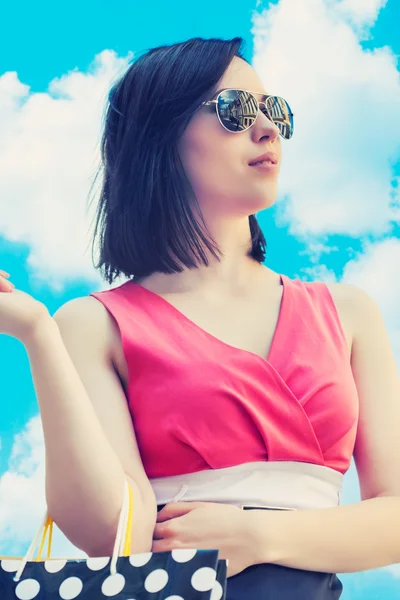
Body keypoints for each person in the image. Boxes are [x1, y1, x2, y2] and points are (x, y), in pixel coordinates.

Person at [1, 36, 400, 600]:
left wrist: (259, 534)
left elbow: (396, 520)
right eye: (234, 111)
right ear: (159, 137)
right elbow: (113, 537)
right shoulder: (93, 325)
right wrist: (37, 335)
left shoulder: (347, 311)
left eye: (274, 112)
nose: (266, 130)